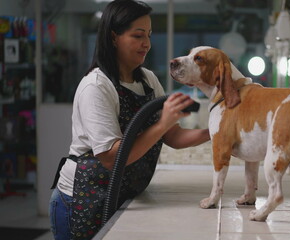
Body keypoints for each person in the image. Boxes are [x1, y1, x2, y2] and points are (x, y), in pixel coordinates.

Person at [48, 1, 210, 239]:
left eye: (149, 35)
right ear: (114, 37)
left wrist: (216, 131)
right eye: (137, 35)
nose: (146, 44)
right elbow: (112, 157)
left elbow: (173, 136)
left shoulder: (148, 80)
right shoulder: (97, 86)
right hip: (81, 199)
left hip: (123, 196)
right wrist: (162, 123)